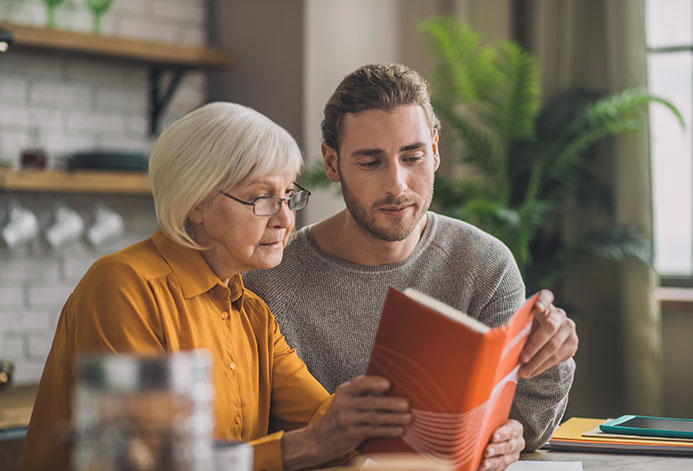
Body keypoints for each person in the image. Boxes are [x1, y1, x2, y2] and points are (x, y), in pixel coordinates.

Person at [19, 102, 412, 471]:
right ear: (196, 203)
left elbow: (327, 423)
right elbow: (146, 461)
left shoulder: (252, 313)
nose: (283, 220)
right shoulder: (125, 287)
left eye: (288, 196)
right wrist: (304, 446)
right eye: (261, 198)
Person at [243, 63, 578, 471]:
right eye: (371, 163)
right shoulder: (270, 279)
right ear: (332, 163)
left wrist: (547, 364)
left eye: (413, 156)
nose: (398, 185)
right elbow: (254, 439)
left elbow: (526, 427)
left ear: (435, 151)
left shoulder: (484, 263)